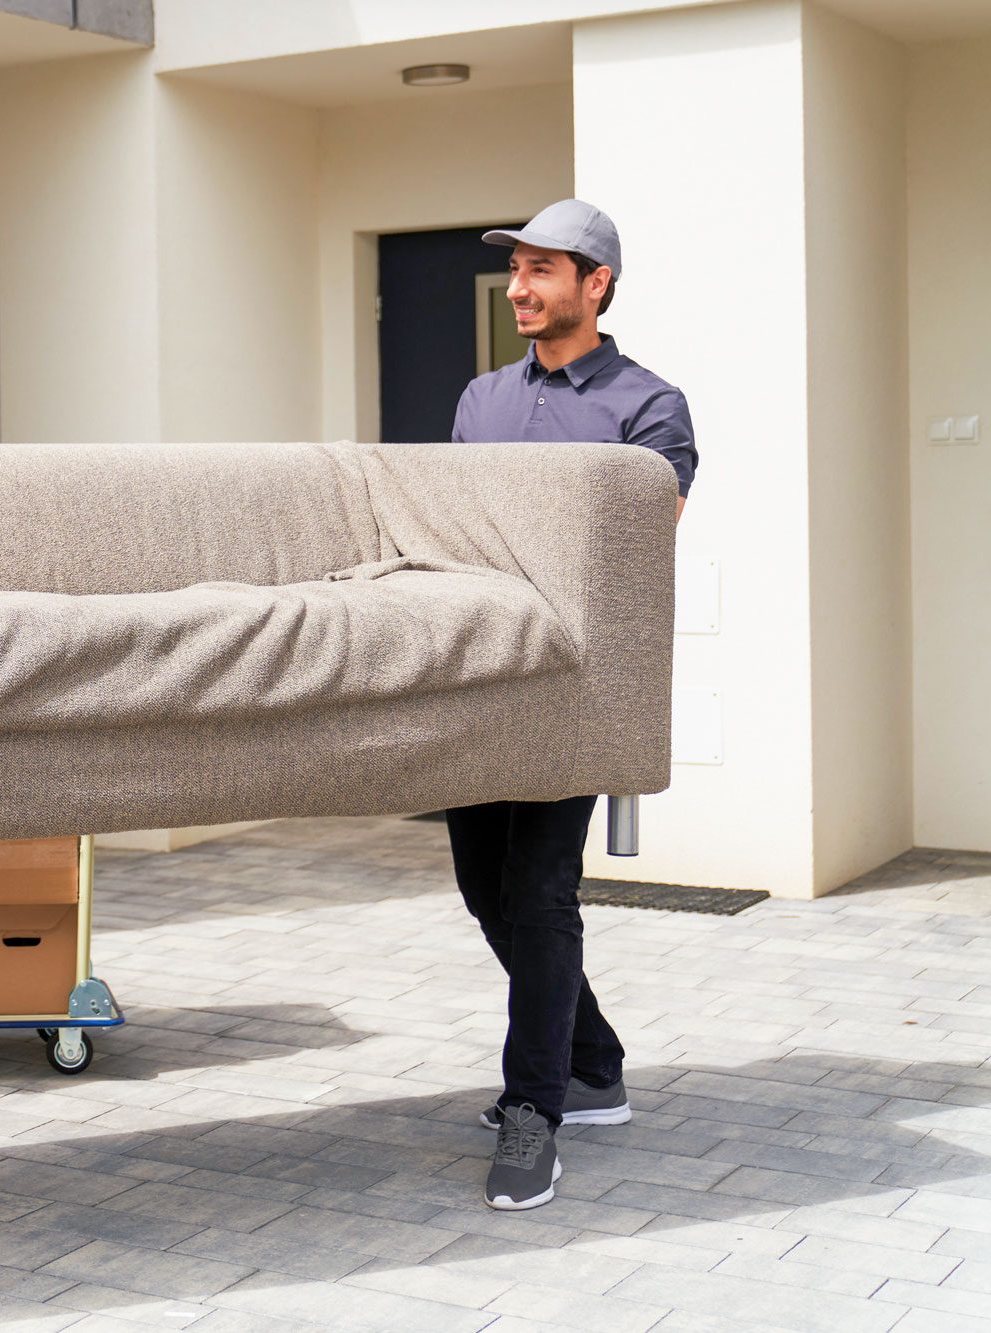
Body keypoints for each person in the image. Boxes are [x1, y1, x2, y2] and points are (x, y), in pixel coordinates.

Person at [449, 198, 697, 1212]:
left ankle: (533, 1111)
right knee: (484, 891)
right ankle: (592, 1062)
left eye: (543, 269)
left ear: (594, 285)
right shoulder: (477, 400)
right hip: (478, 686)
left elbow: (634, 548)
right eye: (515, 271)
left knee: (542, 892)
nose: (519, 287)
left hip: (574, 688)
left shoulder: (648, 407)